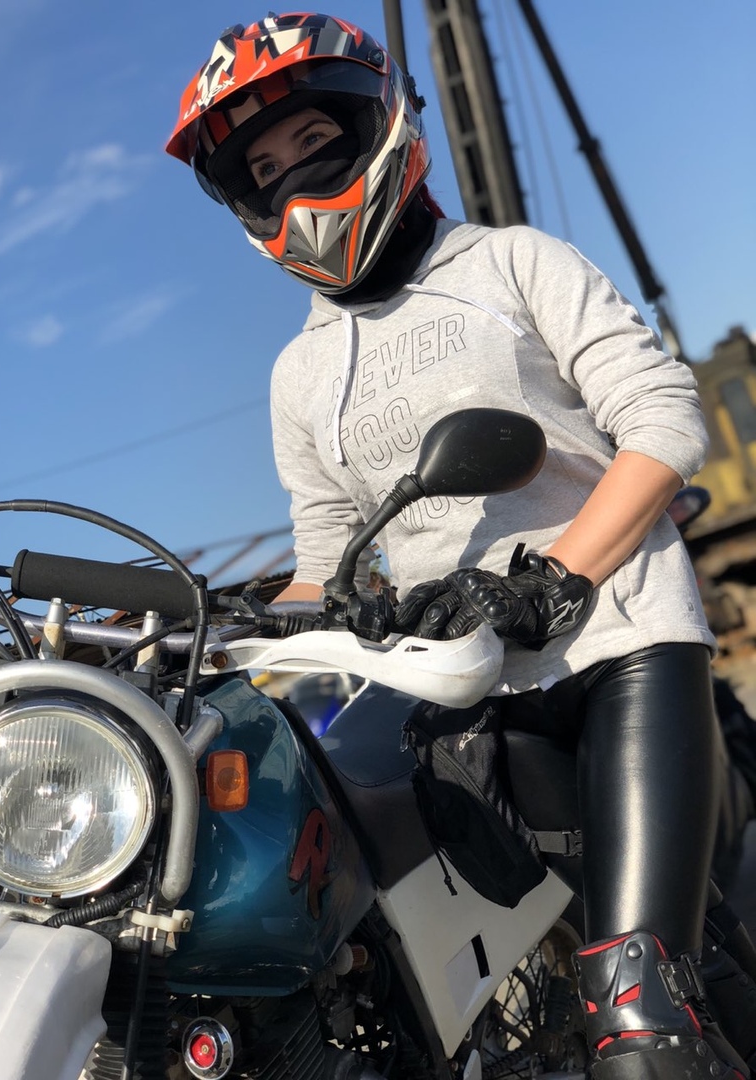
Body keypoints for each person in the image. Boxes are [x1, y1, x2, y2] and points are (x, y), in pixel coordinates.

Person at [166, 13, 752, 1077]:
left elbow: (663, 418)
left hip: (617, 649)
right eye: (265, 170)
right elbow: (325, 564)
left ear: (380, 124)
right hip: (467, 702)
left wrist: (553, 579)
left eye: (314, 141)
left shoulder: (512, 264)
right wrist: (210, 639)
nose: (295, 181)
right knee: (520, 993)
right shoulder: (299, 375)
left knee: (635, 1008)